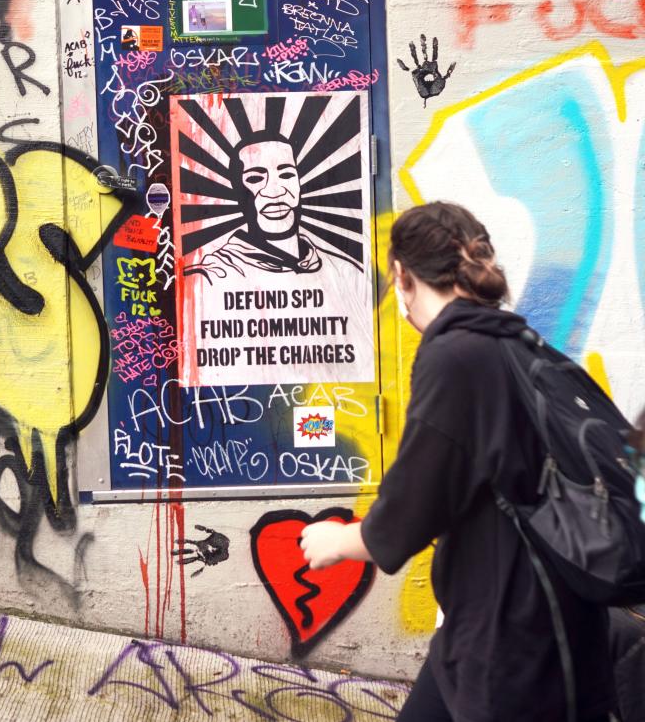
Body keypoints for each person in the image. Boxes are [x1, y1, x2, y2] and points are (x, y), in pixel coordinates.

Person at [300, 202, 616, 722]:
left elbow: (413, 506)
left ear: (402, 275)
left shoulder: (457, 356)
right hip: (528, 626)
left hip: (512, 641)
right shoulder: (517, 343)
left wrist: (339, 540)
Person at [184, 133, 352, 283]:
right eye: (255, 178)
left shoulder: (343, 271)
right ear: (237, 192)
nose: (275, 191)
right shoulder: (209, 278)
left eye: (286, 175)